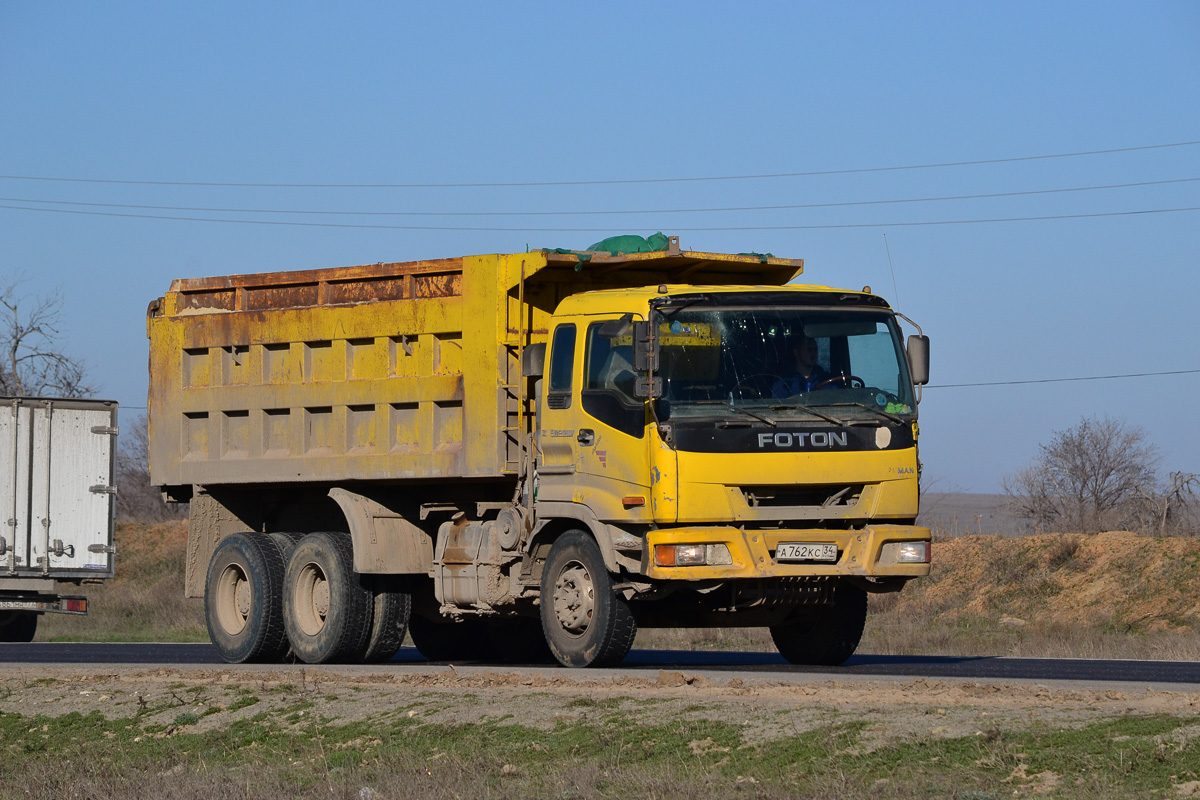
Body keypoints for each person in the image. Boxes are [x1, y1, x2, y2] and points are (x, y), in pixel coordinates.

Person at [772, 333, 830, 397]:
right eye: (809, 349)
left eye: (815, 350)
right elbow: (778, 405)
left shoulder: (825, 379)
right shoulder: (785, 382)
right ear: (796, 353)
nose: (813, 353)